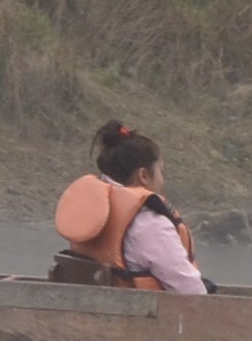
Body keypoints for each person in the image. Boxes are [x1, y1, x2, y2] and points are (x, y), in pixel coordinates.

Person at [49, 122, 206, 293]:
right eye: (161, 171)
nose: (162, 180)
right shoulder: (149, 224)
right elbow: (192, 292)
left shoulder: (93, 210)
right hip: (140, 316)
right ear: (144, 175)